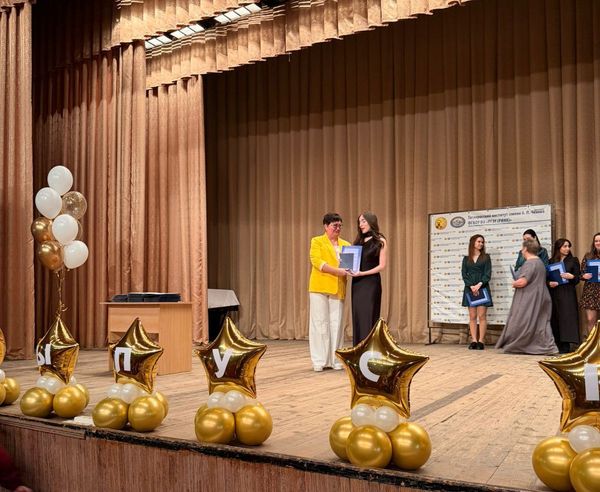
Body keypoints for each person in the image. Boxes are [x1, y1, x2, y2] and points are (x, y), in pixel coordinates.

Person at [496, 239, 557, 354]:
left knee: (523, 322)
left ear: (525, 249)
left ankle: (519, 345)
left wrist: (514, 283)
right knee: (541, 323)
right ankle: (548, 346)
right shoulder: (539, 262)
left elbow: (523, 282)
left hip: (530, 298)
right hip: (542, 296)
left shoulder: (529, 263)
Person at [308, 213, 350, 372]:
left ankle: (336, 360)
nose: (338, 228)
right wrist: (338, 271)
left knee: (336, 324)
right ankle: (319, 360)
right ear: (326, 226)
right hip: (319, 287)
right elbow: (317, 262)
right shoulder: (317, 241)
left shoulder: (346, 244)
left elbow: (349, 266)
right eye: (334, 225)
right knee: (319, 324)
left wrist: (351, 270)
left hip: (338, 288)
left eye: (340, 225)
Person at [349, 212, 387, 345]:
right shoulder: (357, 242)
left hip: (371, 283)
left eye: (363, 221)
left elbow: (382, 266)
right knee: (358, 315)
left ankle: (370, 350)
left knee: (369, 315)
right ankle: (358, 349)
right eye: (359, 222)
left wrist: (363, 273)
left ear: (371, 222)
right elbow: (352, 264)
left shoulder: (380, 241)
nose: (361, 224)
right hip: (357, 284)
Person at [547, 238, 580, 353]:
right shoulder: (551, 261)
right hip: (554, 293)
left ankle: (566, 345)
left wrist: (572, 277)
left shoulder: (573, 260)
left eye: (568, 246)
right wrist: (549, 283)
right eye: (565, 246)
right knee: (555, 318)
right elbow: (546, 278)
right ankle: (557, 344)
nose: (567, 248)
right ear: (558, 248)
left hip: (567, 292)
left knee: (567, 318)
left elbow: (577, 278)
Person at [461, 234, 492, 350]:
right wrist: (471, 286)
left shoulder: (486, 257)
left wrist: (479, 285)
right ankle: (474, 340)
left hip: (482, 287)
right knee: (472, 316)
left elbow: (487, 274)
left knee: (482, 315)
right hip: (470, 289)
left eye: (482, 242)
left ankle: (481, 341)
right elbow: (464, 274)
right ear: (473, 242)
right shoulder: (466, 259)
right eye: (479, 241)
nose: (481, 244)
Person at [580, 232, 600, 338]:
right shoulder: (588, 256)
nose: (598, 243)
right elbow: (581, 273)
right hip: (591, 291)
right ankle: (592, 344)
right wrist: (584, 276)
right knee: (590, 319)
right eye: (596, 241)